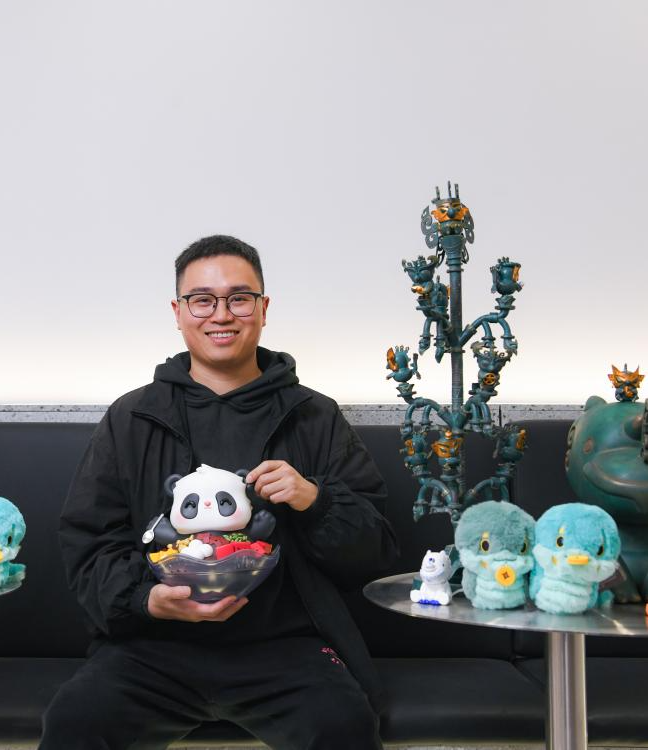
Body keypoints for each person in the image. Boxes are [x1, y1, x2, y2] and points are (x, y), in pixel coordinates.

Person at [41, 235, 398, 750]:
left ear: (263, 308)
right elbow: (88, 541)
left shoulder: (314, 416)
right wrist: (146, 600)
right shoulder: (133, 417)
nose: (221, 315)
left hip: (287, 649)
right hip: (152, 647)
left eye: (239, 298)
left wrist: (314, 500)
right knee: (75, 723)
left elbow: (376, 551)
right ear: (178, 312)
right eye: (202, 300)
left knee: (344, 727)